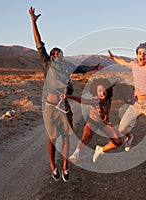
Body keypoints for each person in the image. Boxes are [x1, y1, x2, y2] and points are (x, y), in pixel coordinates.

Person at [29, 7, 102, 182]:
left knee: (67, 137)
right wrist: (33, 22)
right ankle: (53, 166)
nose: (56, 54)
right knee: (52, 138)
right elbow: (39, 44)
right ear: (51, 57)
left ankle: (65, 167)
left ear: (62, 55)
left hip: (64, 106)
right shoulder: (47, 64)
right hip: (50, 106)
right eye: (54, 53)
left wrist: (96, 68)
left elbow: (82, 69)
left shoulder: (68, 66)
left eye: (59, 52)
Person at [61, 78, 122, 163]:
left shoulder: (108, 97)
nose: (102, 92)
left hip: (104, 122)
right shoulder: (95, 100)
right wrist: (69, 96)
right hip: (93, 121)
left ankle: (101, 150)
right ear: (96, 92)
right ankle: (76, 153)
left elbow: (110, 85)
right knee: (86, 137)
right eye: (99, 91)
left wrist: (116, 81)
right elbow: (82, 100)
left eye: (104, 90)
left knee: (118, 142)